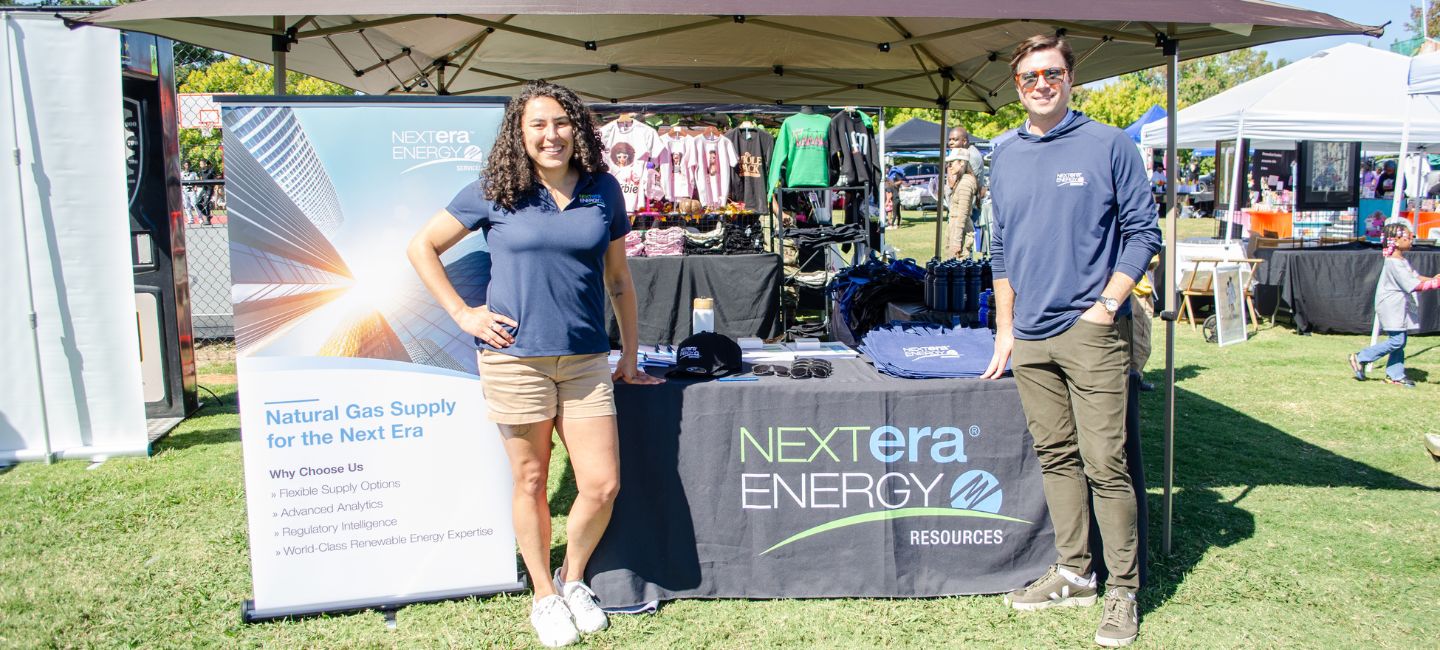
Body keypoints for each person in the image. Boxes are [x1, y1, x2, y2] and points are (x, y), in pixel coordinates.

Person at [407, 80, 662, 648]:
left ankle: (573, 581)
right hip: (513, 361)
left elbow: (619, 280)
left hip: (585, 360)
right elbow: (420, 246)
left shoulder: (604, 190)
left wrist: (627, 354)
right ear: (519, 135)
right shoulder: (495, 191)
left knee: (601, 484)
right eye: (537, 126)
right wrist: (462, 313)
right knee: (530, 479)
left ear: (577, 129)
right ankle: (544, 596)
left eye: (561, 123)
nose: (551, 135)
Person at [981, 35, 1161, 648]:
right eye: (1029, 76)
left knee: (1106, 465)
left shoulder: (1110, 144)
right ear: (1016, 84)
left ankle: (1123, 592)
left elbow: (1143, 233)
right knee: (1056, 457)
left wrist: (1106, 307)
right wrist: (1005, 330)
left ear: (1070, 77)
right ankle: (1075, 573)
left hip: (1089, 334)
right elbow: (1000, 247)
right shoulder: (1001, 154)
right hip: (1029, 336)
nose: (1040, 84)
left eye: (1051, 73)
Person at [1348, 222, 1440, 388]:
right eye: (1409, 237)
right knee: (1397, 341)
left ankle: (1395, 375)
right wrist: (1436, 284)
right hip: (1390, 306)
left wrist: (1434, 279)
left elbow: (1417, 277)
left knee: (1400, 341)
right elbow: (1414, 285)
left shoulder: (1401, 260)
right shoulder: (1394, 263)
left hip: (1398, 306)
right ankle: (1361, 357)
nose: (1412, 239)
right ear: (1396, 241)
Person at [944, 149, 979, 259]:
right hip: (955, 227)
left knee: (956, 268)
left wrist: (957, 241)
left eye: (952, 163)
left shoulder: (965, 183)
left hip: (959, 229)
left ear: (962, 162)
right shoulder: (961, 180)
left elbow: (962, 214)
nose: (949, 166)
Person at [884, 162, 907, 227]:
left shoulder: (895, 174)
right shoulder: (888, 175)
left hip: (894, 194)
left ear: (888, 168)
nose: (885, 170)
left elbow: (901, 181)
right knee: (891, 210)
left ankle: (893, 224)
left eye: (885, 169)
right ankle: (891, 222)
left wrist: (893, 184)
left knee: (895, 211)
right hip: (892, 194)